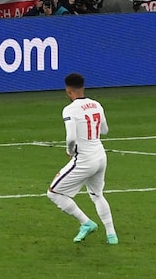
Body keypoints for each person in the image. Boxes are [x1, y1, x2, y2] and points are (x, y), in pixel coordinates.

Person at [47, 73, 118, 246]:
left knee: (54, 193)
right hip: (100, 156)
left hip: (85, 160)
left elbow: (71, 138)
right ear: (83, 87)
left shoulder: (70, 110)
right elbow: (105, 130)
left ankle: (86, 223)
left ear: (67, 90)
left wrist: (69, 151)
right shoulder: (96, 104)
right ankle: (111, 235)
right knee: (97, 194)